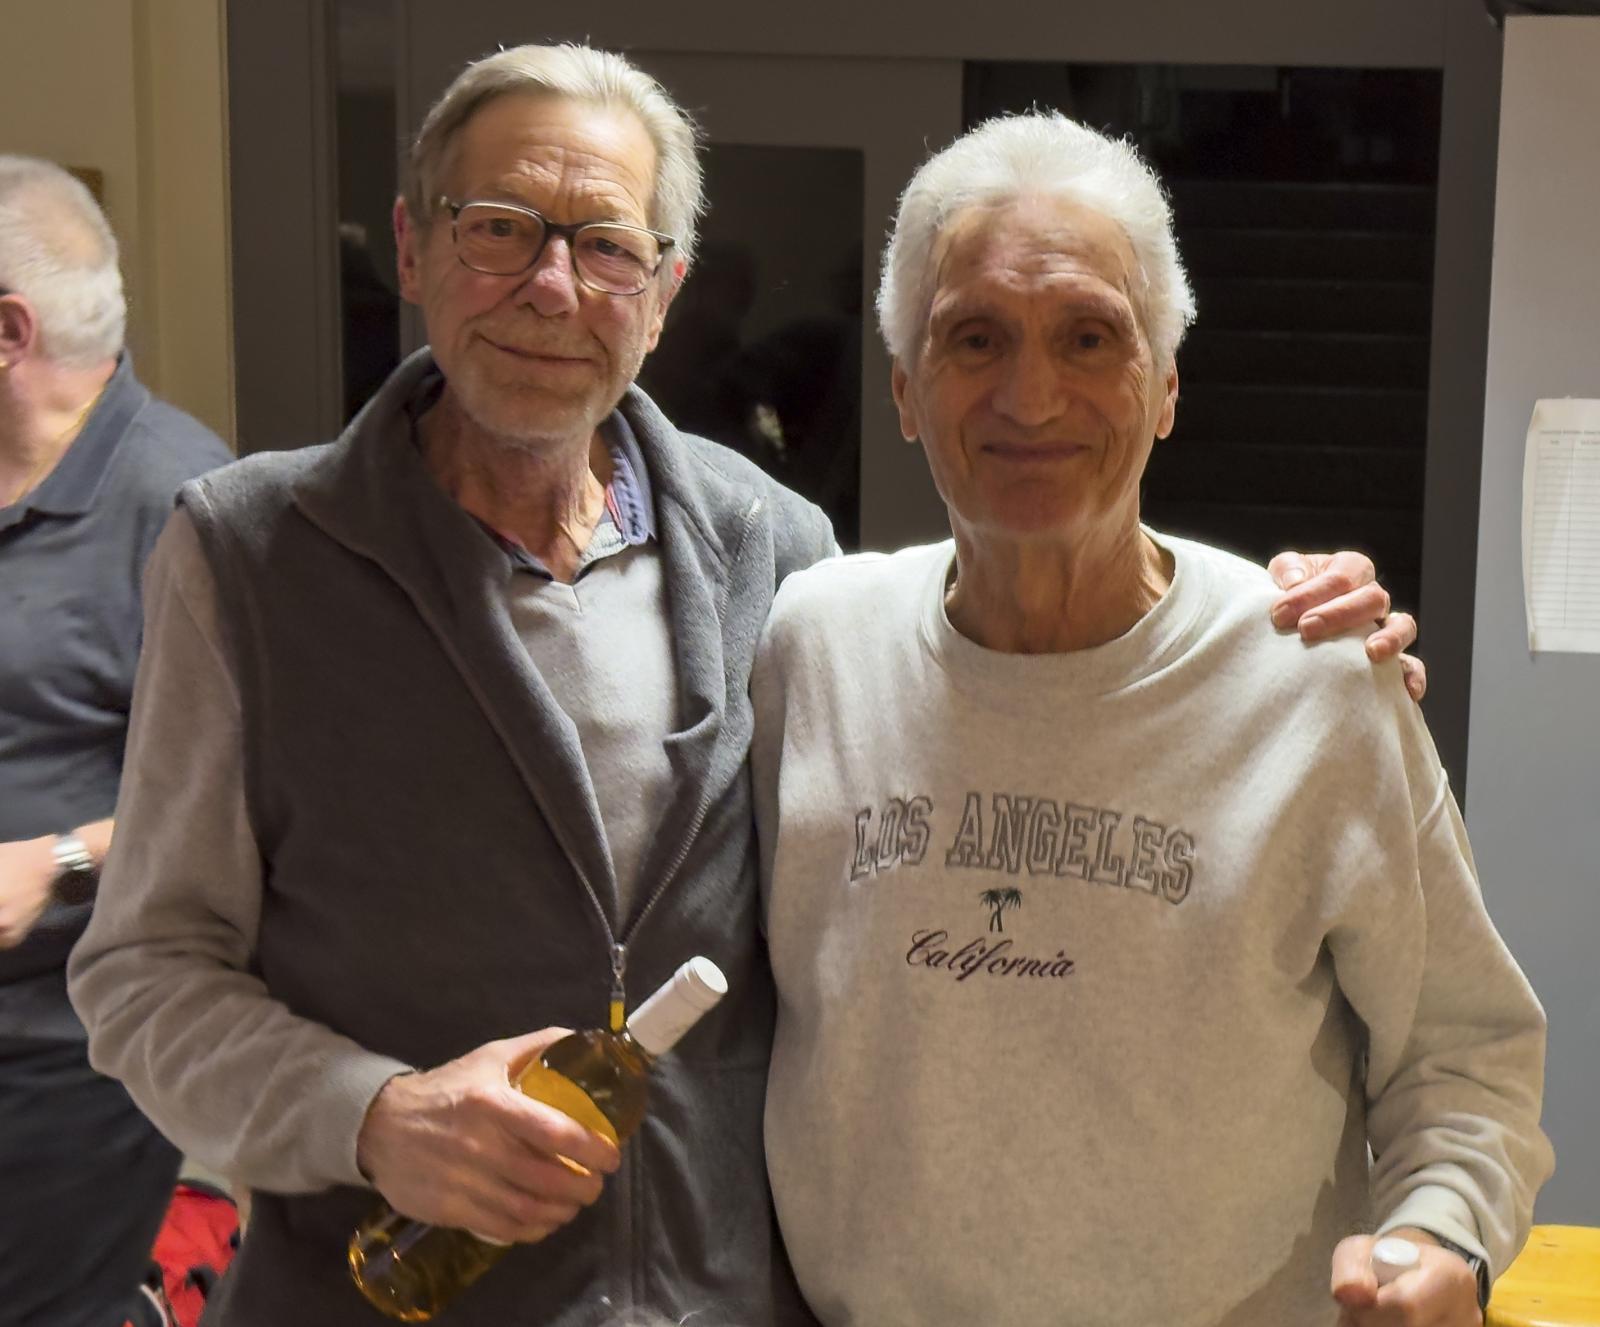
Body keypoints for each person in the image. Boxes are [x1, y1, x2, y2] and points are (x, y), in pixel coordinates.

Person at [70, 45, 1420, 1327]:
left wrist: (1276, 648)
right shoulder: (249, 556)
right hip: (393, 1291)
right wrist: (371, 1112)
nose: (551, 286)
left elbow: (971, 780)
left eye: (607, 246)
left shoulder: (776, 552)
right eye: (499, 228)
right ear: (413, 250)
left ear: (664, 291)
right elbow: (144, 974)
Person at [750, 113, 1552, 1327]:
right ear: (906, 391)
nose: (1031, 394)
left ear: (1166, 387)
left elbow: (1465, 1054)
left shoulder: (1315, 681)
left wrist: (1439, 1236)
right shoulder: (813, 650)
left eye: (1089, 336)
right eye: (975, 337)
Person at [0, 157, 232, 1327]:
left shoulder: (187, 507)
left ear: (9, 331)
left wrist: (56, 859)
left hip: (64, 1064)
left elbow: (247, 799)